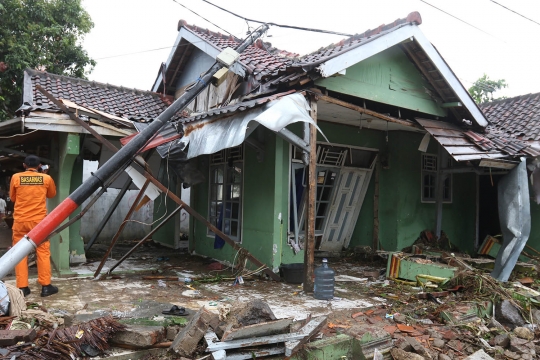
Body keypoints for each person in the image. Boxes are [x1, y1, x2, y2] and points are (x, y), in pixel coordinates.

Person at [10, 155, 58, 297]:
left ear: (24, 165)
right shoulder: (46, 178)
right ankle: (45, 286)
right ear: (39, 165)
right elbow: (52, 194)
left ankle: (22, 288)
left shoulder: (16, 177)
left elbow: (12, 198)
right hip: (39, 223)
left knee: (19, 253)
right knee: (42, 251)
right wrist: (43, 177)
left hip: (20, 221)